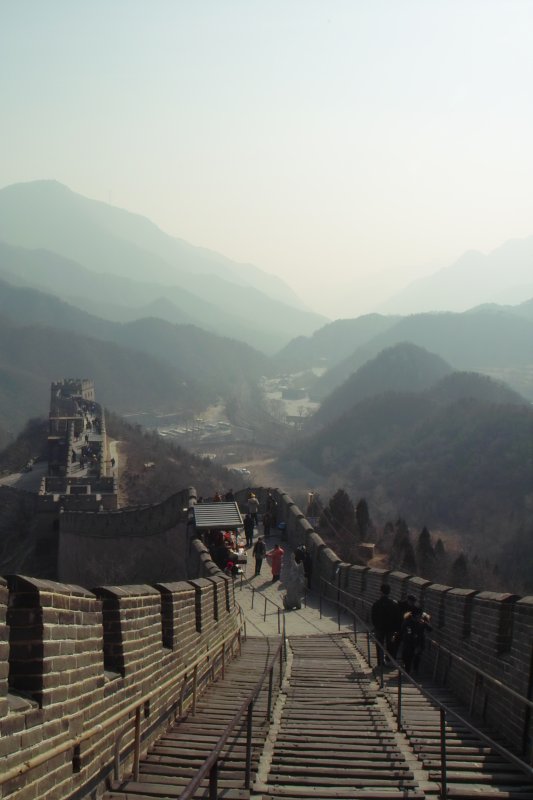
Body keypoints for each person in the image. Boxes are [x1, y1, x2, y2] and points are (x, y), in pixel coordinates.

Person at [371, 584, 398, 666]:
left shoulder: (376, 604)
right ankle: (389, 661)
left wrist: (376, 626)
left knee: (379, 644)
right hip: (390, 628)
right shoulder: (393, 604)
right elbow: (396, 617)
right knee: (390, 644)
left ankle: (380, 662)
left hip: (379, 628)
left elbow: (373, 617)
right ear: (389, 592)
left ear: (381, 592)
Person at [398, 608, 432, 674]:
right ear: (414, 616)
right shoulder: (407, 622)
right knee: (408, 657)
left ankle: (415, 670)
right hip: (409, 643)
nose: (419, 618)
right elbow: (407, 634)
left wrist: (426, 622)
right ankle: (407, 670)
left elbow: (430, 629)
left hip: (419, 643)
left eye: (420, 616)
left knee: (417, 657)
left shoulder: (421, 622)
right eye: (418, 616)